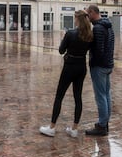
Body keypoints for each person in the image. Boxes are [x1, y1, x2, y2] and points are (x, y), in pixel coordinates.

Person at [40, 10, 93, 138]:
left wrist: (65, 37)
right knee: (78, 97)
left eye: (75, 18)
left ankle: (52, 127)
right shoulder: (90, 35)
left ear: (78, 19)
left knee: (59, 96)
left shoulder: (71, 33)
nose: (74, 20)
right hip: (81, 67)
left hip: (69, 67)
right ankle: (74, 129)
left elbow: (61, 50)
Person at [85, 4, 115, 136]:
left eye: (87, 14)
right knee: (106, 94)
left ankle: (102, 126)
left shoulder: (97, 28)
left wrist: (93, 63)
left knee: (100, 96)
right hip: (108, 65)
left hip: (100, 67)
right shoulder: (108, 25)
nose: (87, 17)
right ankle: (105, 122)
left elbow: (98, 50)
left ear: (92, 13)